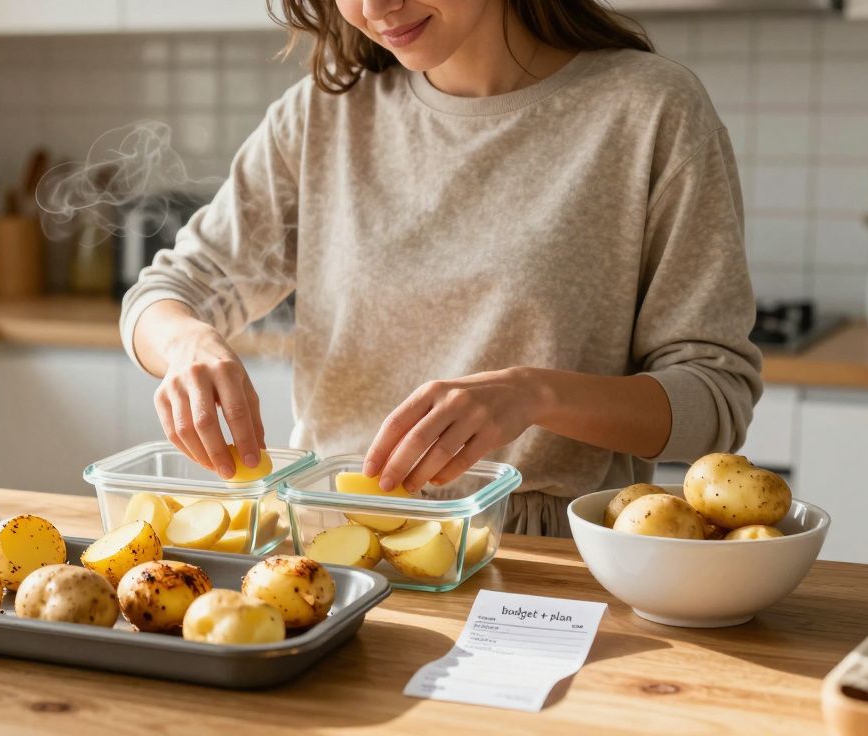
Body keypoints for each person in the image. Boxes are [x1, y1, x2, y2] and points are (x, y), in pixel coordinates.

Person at [120, 0, 762, 536]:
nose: (375, 9)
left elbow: (715, 397)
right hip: (324, 541)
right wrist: (187, 345)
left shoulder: (649, 110)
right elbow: (168, 291)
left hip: (541, 563)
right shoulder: (321, 115)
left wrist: (534, 395)